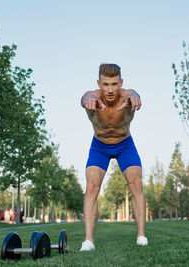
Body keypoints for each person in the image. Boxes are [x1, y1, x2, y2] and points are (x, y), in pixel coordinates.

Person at [80, 63, 147, 251]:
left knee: (136, 183)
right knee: (91, 185)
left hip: (124, 144)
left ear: (121, 83)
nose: (110, 90)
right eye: (106, 84)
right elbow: (85, 97)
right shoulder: (92, 97)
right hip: (99, 146)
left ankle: (141, 236)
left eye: (114, 84)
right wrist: (87, 101)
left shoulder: (127, 96)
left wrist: (135, 97)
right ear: (99, 83)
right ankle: (89, 241)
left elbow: (134, 93)